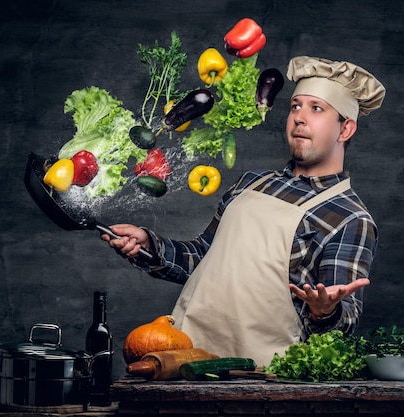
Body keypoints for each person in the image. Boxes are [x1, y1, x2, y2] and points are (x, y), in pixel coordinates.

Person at [102, 56, 386, 366]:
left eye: (316, 109)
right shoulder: (252, 183)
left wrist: (326, 312)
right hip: (184, 361)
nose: (299, 118)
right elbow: (202, 258)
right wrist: (148, 246)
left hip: (261, 382)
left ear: (345, 129)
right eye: (295, 106)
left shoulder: (350, 218)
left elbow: (341, 331)